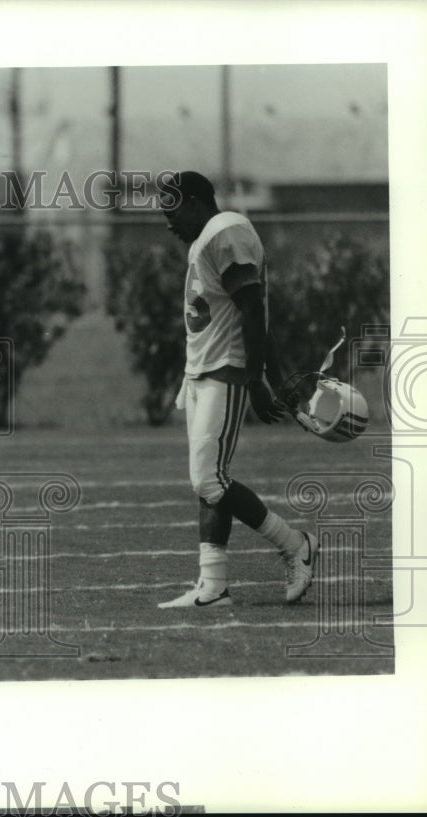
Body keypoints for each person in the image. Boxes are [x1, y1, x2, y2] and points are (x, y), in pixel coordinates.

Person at [155, 170, 318, 608]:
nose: (167, 222)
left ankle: (294, 544)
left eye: (171, 210)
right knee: (207, 481)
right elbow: (249, 311)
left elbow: (253, 309)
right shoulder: (205, 239)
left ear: (192, 202)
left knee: (209, 479)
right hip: (203, 372)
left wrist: (257, 379)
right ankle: (213, 587)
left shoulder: (225, 231)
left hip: (226, 373)